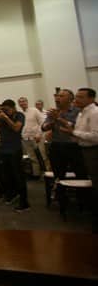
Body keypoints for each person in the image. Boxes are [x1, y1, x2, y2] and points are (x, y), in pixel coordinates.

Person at [59, 87, 98, 232]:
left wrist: (73, 132)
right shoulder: (82, 113)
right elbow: (80, 130)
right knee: (93, 182)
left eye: (81, 97)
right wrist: (66, 124)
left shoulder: (94, 113)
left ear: (91, 99)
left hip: (93, 151)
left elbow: (95, 136)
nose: (77, 99)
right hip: (84, 150)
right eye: (77, 96)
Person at [0, 99, 29, 212]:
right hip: (3, 150)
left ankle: (25, 202)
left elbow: (16, 128)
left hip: (15, 149)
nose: (6, 111)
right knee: (7, 175)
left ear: (13, 108)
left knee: (19, 176)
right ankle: (12, 194)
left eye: (7, 109)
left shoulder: (19, 115)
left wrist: (6, 118)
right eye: (4, 109)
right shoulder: (2, 117)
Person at [18, 96, 49, 176]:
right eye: (20, 102)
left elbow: (42, 123)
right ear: (19, 104)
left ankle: (48, 174)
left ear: (27, 102)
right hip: (25, 138)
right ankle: (36, 174)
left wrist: (39, 135)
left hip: (37, 137)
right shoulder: (20, 113)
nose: (22, 103)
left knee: (43, 157)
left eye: (24, 101)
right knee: (32, 158)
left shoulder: (34, 110)